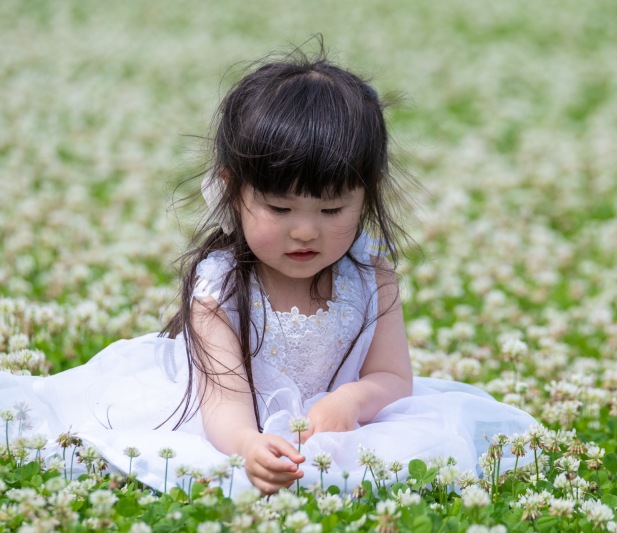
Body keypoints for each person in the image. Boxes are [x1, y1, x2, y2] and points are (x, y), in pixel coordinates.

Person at [0, 49, 536, 495]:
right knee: (162, 455)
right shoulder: (221, 288)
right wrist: (248, 446)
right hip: (222, 422)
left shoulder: (372, 275)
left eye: (332, 211)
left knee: (411, 454)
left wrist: (352, 400)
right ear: (234, 191)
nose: (306, 232)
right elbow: (223, 405)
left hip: (337, 424)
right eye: (279, 209)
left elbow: (394, 378)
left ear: (367, 196)